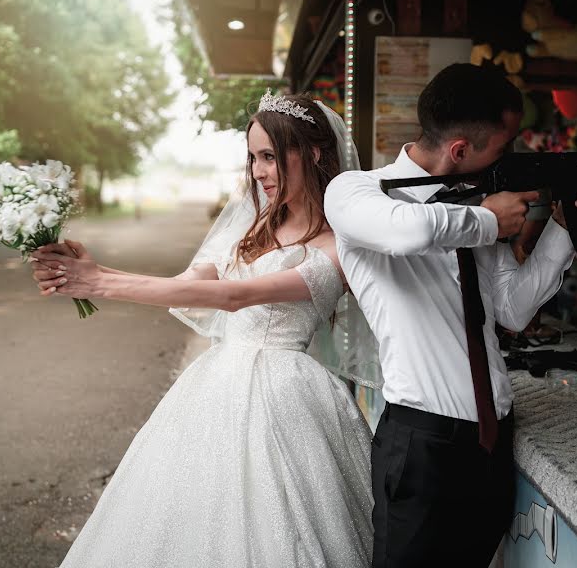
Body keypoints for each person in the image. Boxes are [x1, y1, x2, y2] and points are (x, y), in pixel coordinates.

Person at [30, 92, 375, 567]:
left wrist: (103, 283)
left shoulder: (335, 246)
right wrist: (96, 270)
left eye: (270, 156)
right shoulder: (251, 227)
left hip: (287, 396)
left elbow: (234, 297)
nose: (257, 171)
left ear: (313, 153)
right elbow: (186, 285)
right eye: (253, 158)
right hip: (216, 386)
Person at [324, 63, 577, 568]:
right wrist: (488, 220)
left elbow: (513, 308)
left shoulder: (472, 206)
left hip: (492, 444)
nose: (507, 159)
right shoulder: (359, 191)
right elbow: (408, 233)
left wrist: (561, 226)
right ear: (460, 151)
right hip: (423, 445)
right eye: (502, 147)